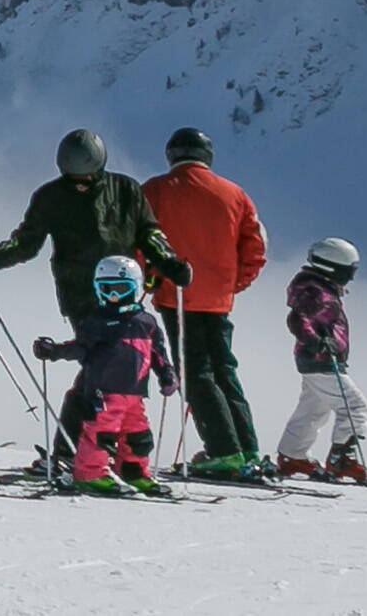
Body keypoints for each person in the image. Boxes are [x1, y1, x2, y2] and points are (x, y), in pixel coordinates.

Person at [0, 129, 192, 467]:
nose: (80, 184)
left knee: (110, 374)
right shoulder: (51, 197)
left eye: (87, 177)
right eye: (74, 178)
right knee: (99, 372)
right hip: (82, 296)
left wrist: (169, 263)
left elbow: (149, 232)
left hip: (125, 294)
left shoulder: (125, 190)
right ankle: (82, 452)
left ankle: (93, 450)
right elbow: (25, 243)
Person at [141, 127, 269, 477]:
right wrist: (232, 285)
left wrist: (147, 278)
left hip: (177, 295)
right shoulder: (235, 194)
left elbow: (139, 239)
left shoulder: (155, 190)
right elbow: (255, 248)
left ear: (172, 155)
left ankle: (223, 452)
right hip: (218, 298)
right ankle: (247, 449)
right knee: (225, 371)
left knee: (195, 372)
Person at [33, 257, 179, 496]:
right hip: (104, 391)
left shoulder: (147, 323)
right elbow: (80, 347)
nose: (112, 296)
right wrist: (55, 351)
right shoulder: (97, 321)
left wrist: (167, 375)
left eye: (119, 289)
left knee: (139, 436)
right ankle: (90, 474)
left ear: (135, 287)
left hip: (134, 394)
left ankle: (134, 472)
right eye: (105, 289)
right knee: (101, 433)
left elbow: (158, 354)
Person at [275, 238, 367, 483]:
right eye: (349, 271)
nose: (351, 277)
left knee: (313, 410)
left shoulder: (320, 287)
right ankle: (342, 461)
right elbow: (298, 319)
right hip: (320, 359)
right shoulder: (314, 290)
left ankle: (292, 455)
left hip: (316, 359)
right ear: (335, 267)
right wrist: (317, 342)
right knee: (355, 407)